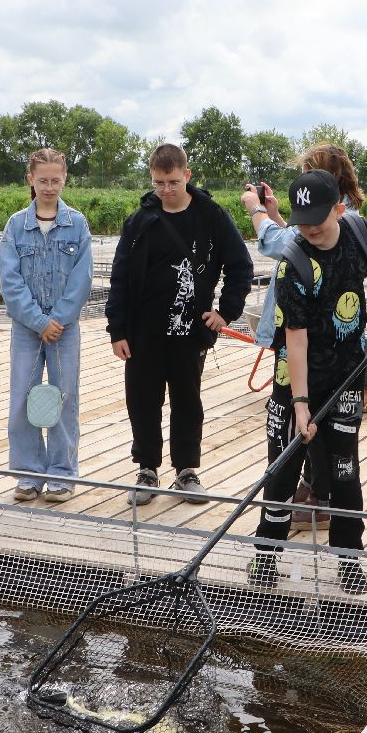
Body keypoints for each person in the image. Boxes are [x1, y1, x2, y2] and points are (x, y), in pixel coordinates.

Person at [248, 169, 367, 594]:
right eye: (301, 222)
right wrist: (300, 404)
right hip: (293, 379)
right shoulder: (292, 266)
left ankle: (349, 561)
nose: (309, 230)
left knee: (344, 469)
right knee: (282, 471)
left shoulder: (358, 232)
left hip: (347, 372)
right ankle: (266, 555)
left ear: (340, 208)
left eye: (318, 220)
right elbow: (294, 343)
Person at [106, 143, 253, 504]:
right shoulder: (140, 220)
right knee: (142, 400)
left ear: (187, 175)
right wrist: (117, 329)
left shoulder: (212, 216)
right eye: (159, 183)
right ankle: (147, 469)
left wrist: (225, 312)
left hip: (191, 331)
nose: (166, 190)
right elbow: (120, 277)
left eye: (172, 182)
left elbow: (240, 266)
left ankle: (186, 471)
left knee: (187, 401)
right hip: (143, 331)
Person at [241, 143, 367, 527]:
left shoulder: (345, 222)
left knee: (314, 432)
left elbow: (281, 243)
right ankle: (315, 489)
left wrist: (257, 212)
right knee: (317, 432)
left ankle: (318, 494)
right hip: (316, 354)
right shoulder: (334, 214)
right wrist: (281, 213)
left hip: (321, 352)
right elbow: (298, 234)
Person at [0, 148, 93, 503]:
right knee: (22, 398)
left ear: (64, 179)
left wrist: (58, 319)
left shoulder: (78, 224)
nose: (49, 187)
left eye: (56, 180)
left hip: (65, 330)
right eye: (43, 181)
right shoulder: (14, 226)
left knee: (63, 398)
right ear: (31, 180)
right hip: (26, 329)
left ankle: (62, 473)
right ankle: (27, 474)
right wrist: (39, 321)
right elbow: (10, 282)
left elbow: (81, 281)